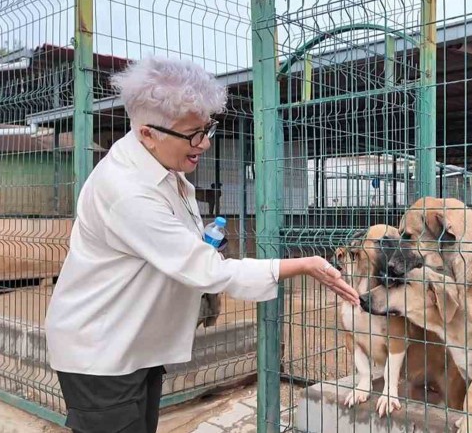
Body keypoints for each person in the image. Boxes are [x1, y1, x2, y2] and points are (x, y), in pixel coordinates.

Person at [44, 55, 359, 433]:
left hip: (133, 342)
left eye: (207, 127)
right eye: (193, 133)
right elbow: (206, 270)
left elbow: (180, 250)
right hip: (101, 350)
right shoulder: (127, 190)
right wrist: (304, 265)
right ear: (147, 133)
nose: (205, 142)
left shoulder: (162, 169)